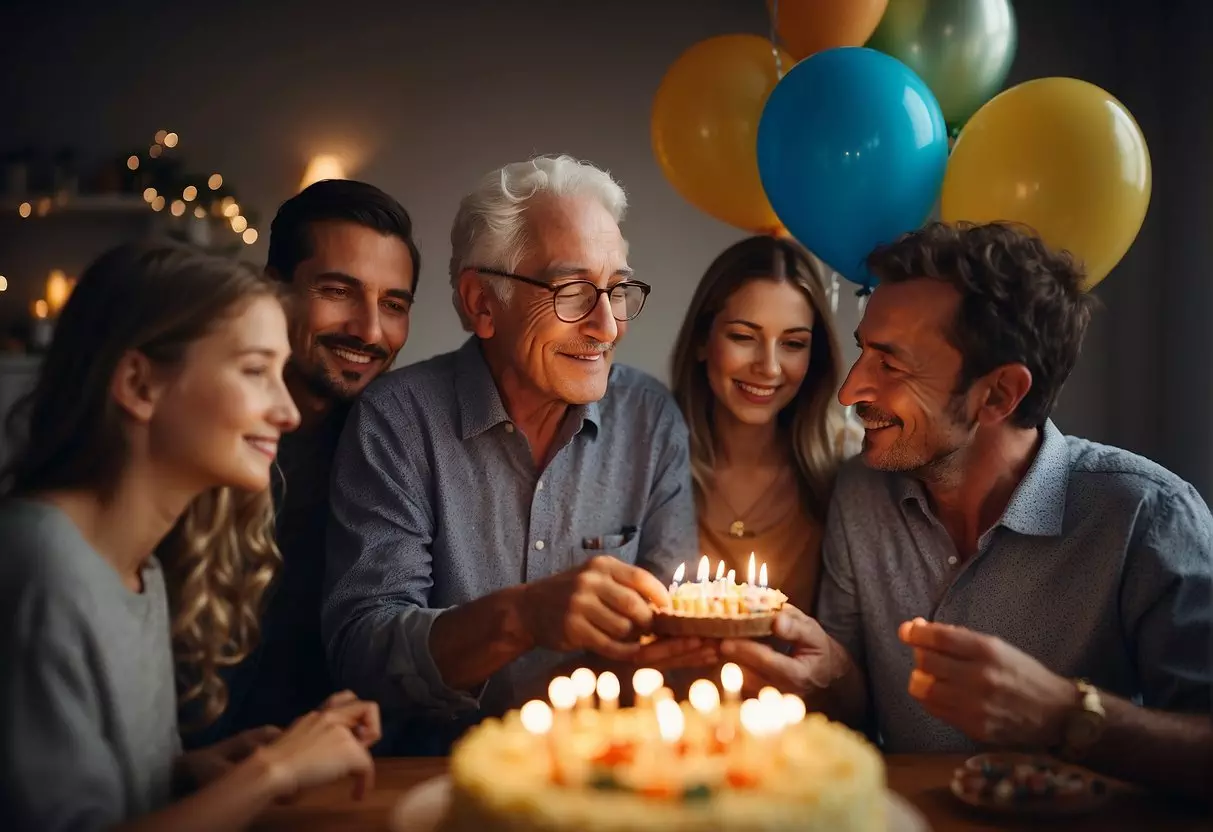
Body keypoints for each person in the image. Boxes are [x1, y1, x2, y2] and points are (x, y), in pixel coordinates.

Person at [718, 221, 1212, 800]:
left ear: (999, 394)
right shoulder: (860, 493)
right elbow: (856, 719)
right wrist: (829, 676)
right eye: (862, 351)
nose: (849, 391)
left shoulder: (1146, 517)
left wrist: (1067, 715)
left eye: (891, 364)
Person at [322, 155, 702, 751]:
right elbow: (361, 652)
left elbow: (675, 641)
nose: (607, 325)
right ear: (480, 303)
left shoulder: (649, 420)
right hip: (432, 785)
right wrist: (521, 618)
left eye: (619, 290)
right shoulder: (396, 420)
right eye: (574, 290)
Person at [0, 241, 381, 830]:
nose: (287, 412)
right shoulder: (39, 563)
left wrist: (189, 770)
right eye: (255, 371)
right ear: (139, 385)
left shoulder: (138, 568)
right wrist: (271, 773)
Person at [186, 179, 420, 747]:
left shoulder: (395, 452)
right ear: (275, 292)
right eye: (339, 291)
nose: (369, 330)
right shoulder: (194, 430)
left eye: (394, 304)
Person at [669, 235, 855, 611]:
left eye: (793, 343)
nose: (768, 367)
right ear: (702, 342)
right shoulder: (653, 456)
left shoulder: (846, 460)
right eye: (743, 336)